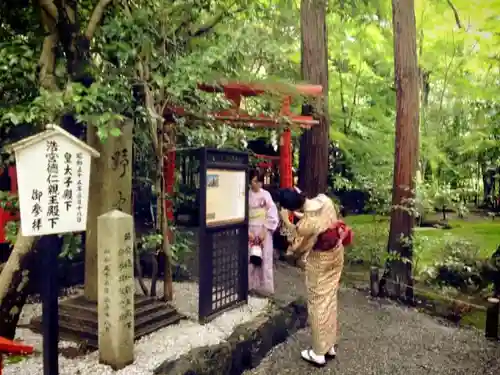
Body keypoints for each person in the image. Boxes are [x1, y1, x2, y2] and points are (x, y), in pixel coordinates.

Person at [278, 188, 352, 367]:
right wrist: (297, 213)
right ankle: (329, 345)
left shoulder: (306, 224)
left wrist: (286, 220)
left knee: (318, 304)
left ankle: (318, 352)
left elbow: (296, 244)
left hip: (321, 262)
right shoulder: (324, 200)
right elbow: (313, 213)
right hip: (336, 253)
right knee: (330, 299)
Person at [248, 169, 279, 296]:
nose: (257, 184)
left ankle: (265, 288)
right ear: (250, 181)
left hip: (263, 229)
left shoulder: (266, 195)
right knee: (250, 258)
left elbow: (272, 212)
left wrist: (265, 230)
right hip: (250, 229)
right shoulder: (246, 195)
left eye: (259, 182)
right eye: (255, 181)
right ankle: (250, 286)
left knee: (265, 257)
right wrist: (248, 231)